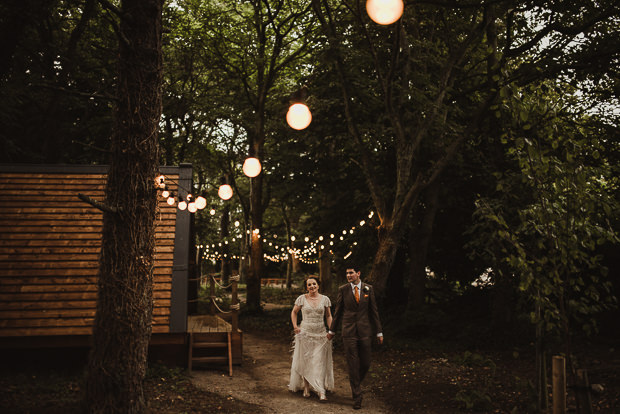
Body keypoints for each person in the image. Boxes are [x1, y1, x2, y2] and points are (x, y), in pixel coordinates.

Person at [327, 266, 383, 410]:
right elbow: (338, 312)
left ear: (358, 273)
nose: (348, 275)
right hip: (349, 331)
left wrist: (379, 332)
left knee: (365, 363)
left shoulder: (368, 289)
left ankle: (356, 382)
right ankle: (357, 396)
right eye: (346, 273)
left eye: (351, 273)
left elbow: (374, 311)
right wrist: (332, 330)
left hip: (365, 331)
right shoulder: (343, 289)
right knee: (352, 363)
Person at [288, 276, 334, 402]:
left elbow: (329, 316)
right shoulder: (302, 298)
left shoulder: (325, 299)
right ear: (306, 287)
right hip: (305, 334)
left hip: (321, 334)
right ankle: (306, 387)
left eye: (314, 284)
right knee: (306, 361)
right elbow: (294, 312)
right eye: (309, 285)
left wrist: (331, 330)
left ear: (318, 285)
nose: (312, 286)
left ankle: (321, 390)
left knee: (319, 362)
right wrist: (295, 326)